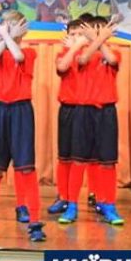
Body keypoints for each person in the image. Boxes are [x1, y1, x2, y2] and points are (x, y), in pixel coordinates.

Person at [0, 11, 46, 242]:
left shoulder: (29, 52)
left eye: (15, 25)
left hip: (20, 112)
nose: (10, 28)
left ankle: (34, 222)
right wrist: (4, 36)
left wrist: (7, 35)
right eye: (7, 24)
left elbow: (18, 55)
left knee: (25, 168)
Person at [59, 16, 125, 225]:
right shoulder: (80, 52)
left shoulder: (113, 52)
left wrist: (101, 40)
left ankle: (108, 205)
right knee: (78, 160)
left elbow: (112, 60)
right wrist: (98, 38)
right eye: (93, 30)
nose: (96, 34)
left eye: (100, 30)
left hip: (106, 112)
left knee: (108, 162)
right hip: (83, 111)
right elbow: (82, 60)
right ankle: (71, 205)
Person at [47, 19, 86, 215]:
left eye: (80, 34)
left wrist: (80, 48)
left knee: (81, 157)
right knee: (65, 156)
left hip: (86, 109)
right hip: (68, 108)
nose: (76, 38)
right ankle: (63, 196)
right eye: (72, 34)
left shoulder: (90, 54)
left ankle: (75, 200)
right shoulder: (64, 54)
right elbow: (62, 67)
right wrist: (73, 49)